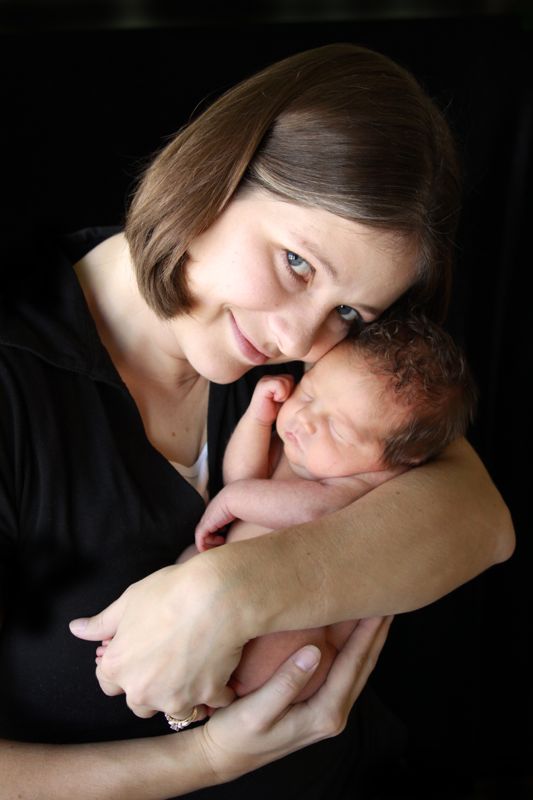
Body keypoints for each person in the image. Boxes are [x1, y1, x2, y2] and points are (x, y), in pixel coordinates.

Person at [0, 43, 513, 799]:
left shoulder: (320, 373)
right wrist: (202, 762)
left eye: (347, 311)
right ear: (215, 175)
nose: (302, 340)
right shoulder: (16, 375)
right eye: (296, 263)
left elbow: (478, 520)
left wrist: (227, 590)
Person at [180, 316, 476, 702]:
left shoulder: (362, 484)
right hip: (238, 597)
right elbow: (241, 478)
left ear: (400, 460)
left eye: (338, 430)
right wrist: (258, 418)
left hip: (293, 636)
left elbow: (312, 513)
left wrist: (232, 502)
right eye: (310, 394)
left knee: (265, 636)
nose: (304, 420)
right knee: (184, 570)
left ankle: (215, 693)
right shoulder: (300, 450)